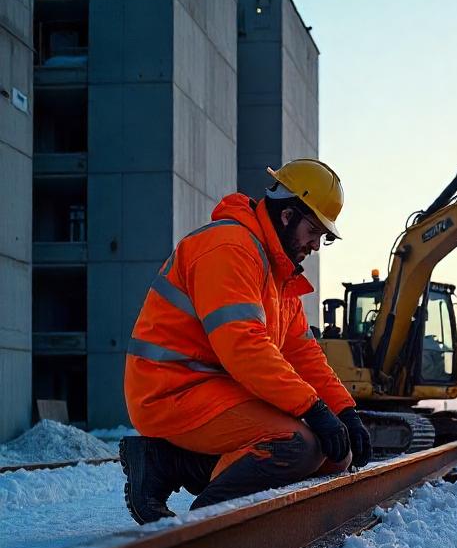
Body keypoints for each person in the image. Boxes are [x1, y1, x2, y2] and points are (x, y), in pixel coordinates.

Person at [120, 159, 372, 523]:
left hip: (217, 389)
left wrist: (345, 411)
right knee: (295, 445)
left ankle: (166, 464)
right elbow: (243, 346)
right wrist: (314, 410)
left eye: (324, 236)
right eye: (314, 230)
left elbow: (304, 354)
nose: (317, 245)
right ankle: (204, 529)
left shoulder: (278, 274)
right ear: (287, 216)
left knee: (336, 454)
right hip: (170, 390)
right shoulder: (229, 247)